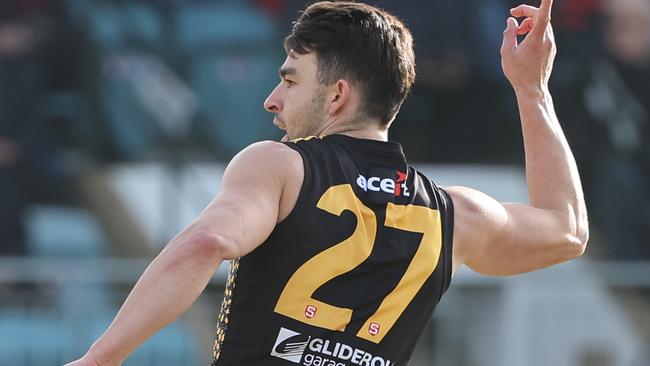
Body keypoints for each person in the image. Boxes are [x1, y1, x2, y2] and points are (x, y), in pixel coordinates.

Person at [66, 0, 588, 365]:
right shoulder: (456, 214)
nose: (272, 99)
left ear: (337, 95)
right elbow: (567, 231)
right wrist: (531, 89)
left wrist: (101, 358)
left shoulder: (280, 166)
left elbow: (208, 241)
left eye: (290, 79)